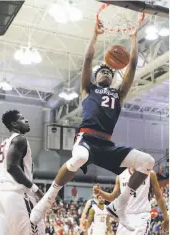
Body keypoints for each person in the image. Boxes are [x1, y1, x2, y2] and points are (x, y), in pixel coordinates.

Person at [30, 22, 155, 231]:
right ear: (96, 77)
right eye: (101, 71)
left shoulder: (119, 94)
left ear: (114, 77)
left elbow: (132, 66)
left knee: (147, 162)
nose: (105, 72)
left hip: (106, 145)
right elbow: (88, 59)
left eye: (109, 72)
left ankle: (120, 204)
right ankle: (47, 200)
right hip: (86, 139)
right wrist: (94, 36)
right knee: (79, 157)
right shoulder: (88, 89)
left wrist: (134, 39)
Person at [0, 110, 45, 235]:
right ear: (14, 124)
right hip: (18, 195)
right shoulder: (20, 139)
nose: (26, 120)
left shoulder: (3, 144)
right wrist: (36, 189)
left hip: (1, 196)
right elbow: (12, 167)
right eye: (22, 119)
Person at [93, 168, 169, 234]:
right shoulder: (120, 176)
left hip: (141, 215)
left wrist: (166, 217)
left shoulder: (149, 173)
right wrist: (100, 192)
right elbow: (112, 197)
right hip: (125, 217)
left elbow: (159, 196)